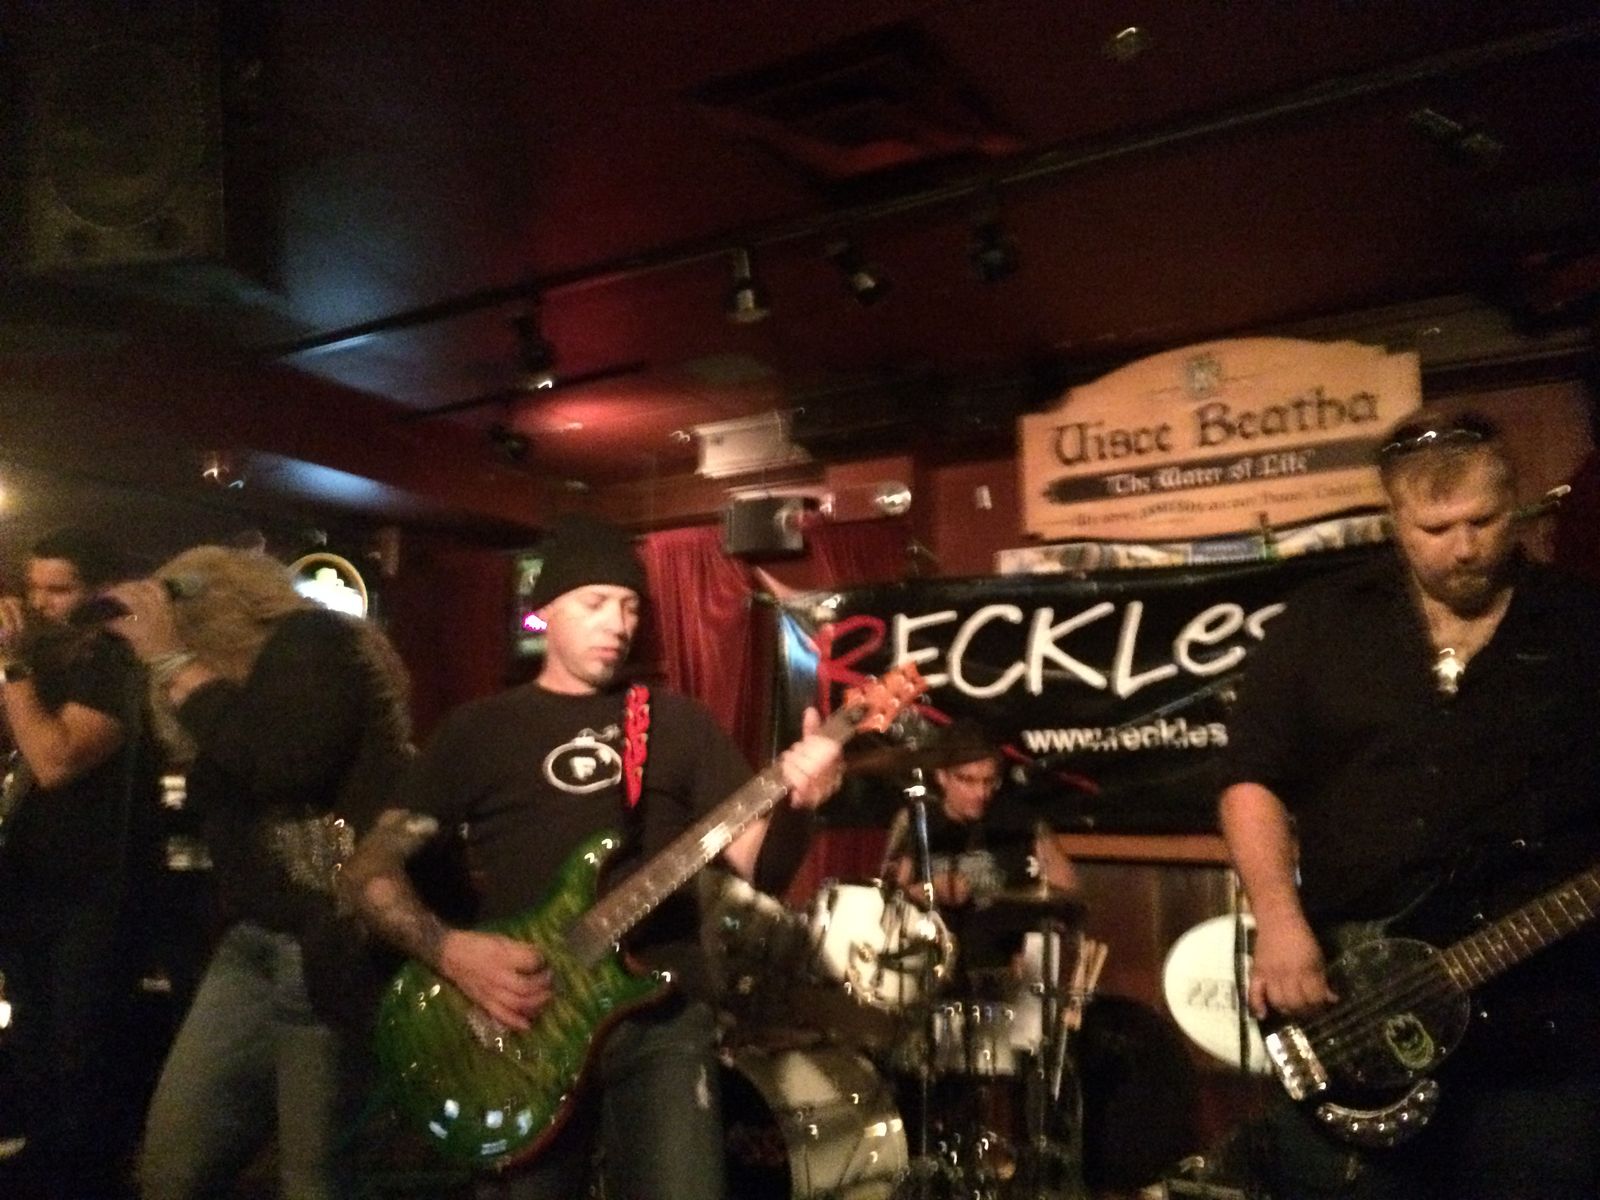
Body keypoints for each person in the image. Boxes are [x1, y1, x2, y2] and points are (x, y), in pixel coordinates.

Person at [340, 514, 843, 1200]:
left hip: (662, 1018)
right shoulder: (478, 731)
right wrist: (451, 951)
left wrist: (803, 803)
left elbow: (766, 869)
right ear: (546, 611)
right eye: (596, 603)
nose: (618, 624)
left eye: (630, 607)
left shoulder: (677, 722)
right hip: (526, 1018)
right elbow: (368, 871)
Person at [1217, 407, 1600, 1199]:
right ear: (1395, 520)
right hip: (1358, 990)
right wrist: (1280, 922)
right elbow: (1253, 778)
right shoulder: (1323, 622)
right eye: (1436, 528)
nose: (1464, 548)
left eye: (1484, 521)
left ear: (1515, 503)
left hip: (1543, 1015)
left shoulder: (1580, 624)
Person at [102, 545, 414, 1200]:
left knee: (315, 1177)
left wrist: (173, 660)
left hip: (327, 938)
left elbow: (284, 763)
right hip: (254, 941)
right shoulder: (220, 695)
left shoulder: (314, 640)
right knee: (172, 1165)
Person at [0, 528, 160, 1200]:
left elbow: (56, 759)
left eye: (58, 590)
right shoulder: (46, 657)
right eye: (33, 588)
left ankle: (86, 1177)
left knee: (79, 1050)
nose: (40, 603)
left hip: (89, 888)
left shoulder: (110, 662)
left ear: (96, 591)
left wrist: (13, 670)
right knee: (33, 1040)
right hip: (30, 880)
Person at [882, 720, 1079, 978]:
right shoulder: (917, 820)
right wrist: (930, 890)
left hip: (1005, 968)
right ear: (941, 776)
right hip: (930, 967)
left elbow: (1066, 893)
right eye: (967, 780)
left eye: (989, 781)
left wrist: (1035, 951)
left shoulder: (1020, 821)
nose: (981, 793)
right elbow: (888, 907)